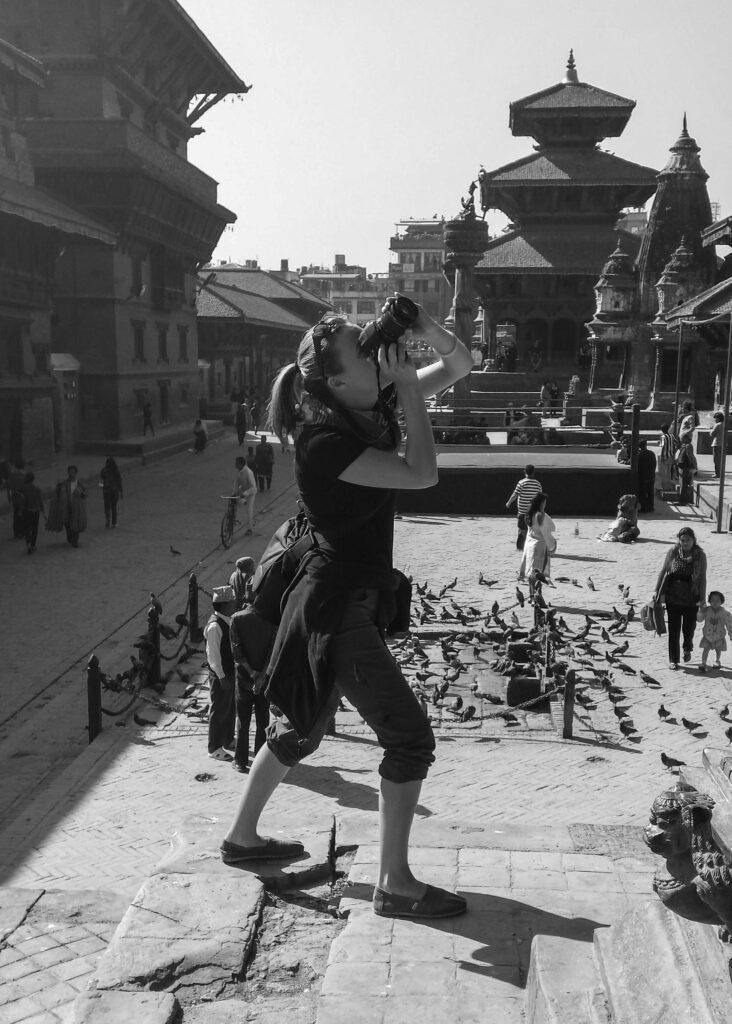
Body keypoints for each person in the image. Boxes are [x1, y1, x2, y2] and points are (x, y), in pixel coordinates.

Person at [221, 298, 472, 920]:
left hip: (337, 598)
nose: (378, 356)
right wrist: (408, 382)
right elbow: (421, 473)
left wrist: (421, 333)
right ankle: (395, 881)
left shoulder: (363, 412)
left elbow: (461, 362)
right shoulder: (323, 441)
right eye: (366, 352)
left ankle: (242, 838)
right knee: (410, 738)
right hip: (334, 608)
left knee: (299, 729)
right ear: (335, 382)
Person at [653, 527, 707, 670]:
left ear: (693, 540)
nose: (685, 543)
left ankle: (687, 648)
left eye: (688, 540)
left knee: (689, 629)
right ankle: (673, 660)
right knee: (674, 629)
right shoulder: (673, 552)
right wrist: (656, 590)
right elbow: (664, 571)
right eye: (682, 540)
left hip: (691, 597)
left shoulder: (700, 555)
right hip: (673, 597)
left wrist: (703, 600)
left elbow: (702, 579)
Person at [229, 605, 274, 773]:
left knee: (242, 719)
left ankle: (240, 760)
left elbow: (237, 653)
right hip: (264, 681)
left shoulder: (237, 619)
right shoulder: (271, 619)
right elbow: (272, 652)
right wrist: (261, 676)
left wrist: (252, 673)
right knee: (263, 719)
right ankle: (260, 760)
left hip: (243, 679)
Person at [204, 585, 238, 761]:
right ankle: (214, 747)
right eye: (232, 601)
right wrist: (221, 676)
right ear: (224, 605)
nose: (235, 603)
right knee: (219, 709)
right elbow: (213, 656)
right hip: (221, 675)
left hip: (230, 673)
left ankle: (228, 739)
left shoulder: (228, 620)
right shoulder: (215, 627)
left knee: (230, 707)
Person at [518, 492, 556, 599]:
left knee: (531, 573)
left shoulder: (529, 514)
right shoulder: (540, 515)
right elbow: (552, 527)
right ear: (541, 503)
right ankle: (537, 596)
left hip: (529, 546)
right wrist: (552, 544)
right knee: (539, 574)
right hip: (539, 546)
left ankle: (531, 596)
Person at [505, 464, 542, 550]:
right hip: (533, 513)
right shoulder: (538, 484)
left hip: (522, 512)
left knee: (522, 529)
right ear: (533, 473)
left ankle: (520, 547)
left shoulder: (521, 483)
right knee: (532, 530)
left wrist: (509, 502)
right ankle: (531, 546)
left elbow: (515, 494)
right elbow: (540, 498)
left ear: (525, 472)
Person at [697, 591, 732, 673]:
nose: (715, 602)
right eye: (712, 600)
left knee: (718, 649)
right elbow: (699, 619)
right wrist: (700, 611)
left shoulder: (725, 613)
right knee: (706, 649)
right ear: (709, 601)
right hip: (707, 635)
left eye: (717, 601)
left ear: (721, 601)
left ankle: (717, 660)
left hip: (719, 635)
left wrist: (731, 634)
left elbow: (729, 624)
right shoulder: (706, 610)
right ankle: (703, 663)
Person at [57, 466, 87, 548]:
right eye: (70, 472)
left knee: (76, 523)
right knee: (68, 523)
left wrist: (82, 494)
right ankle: (70, 537)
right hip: (67, 507)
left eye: (73, 472)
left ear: (76, 473)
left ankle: (75, 541)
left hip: (77, 507)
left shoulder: (79, 483)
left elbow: (85, 494)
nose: (72, 474)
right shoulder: (65, 483)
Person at [20, 471, 44, 554]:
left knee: (27, 528)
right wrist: (43, 511)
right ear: (33, 479)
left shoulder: (23, 488)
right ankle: (33, 545)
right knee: (34, 529)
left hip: (26, 511)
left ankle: (28, 543)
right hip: (35, 511)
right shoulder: (37, 489)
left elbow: (20, 499)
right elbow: (40, 501)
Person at [234, 455, 257, 535]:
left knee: (249, 510)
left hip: (251, 493)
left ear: (241, 464)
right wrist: (235, 493)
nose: (235, 464)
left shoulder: (248, 472)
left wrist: (245, 494)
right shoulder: (239, 472)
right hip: (244, 491)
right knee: (235, 502)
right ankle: (233, 520)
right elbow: (237, 483)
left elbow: (253, 487)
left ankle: (250, 528)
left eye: (236, 463)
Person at [100, 457, 123, 528]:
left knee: (107, 507)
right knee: (114, 507)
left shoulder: (103, 471)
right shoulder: (116, 471)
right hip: (114, 491)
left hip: (106, 491)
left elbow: (101, 481)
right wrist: (121, 491)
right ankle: (114, 522)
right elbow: (119, 481)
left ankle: (108, 520)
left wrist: (101, 487)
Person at [675, 433, 697, 504]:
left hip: (685, 466)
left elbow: (690, 456)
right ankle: (682, 500)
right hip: (682, 466)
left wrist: (693, 465)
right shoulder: (684, 445)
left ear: (687, 438)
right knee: (682, 483)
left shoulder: (688, 446)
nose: (681, 439)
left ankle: (682, 501)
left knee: (683, 484)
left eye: (683, 438)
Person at [637, 439, 657, 513]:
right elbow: (655, 464)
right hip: (651, 476)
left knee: (643, 493)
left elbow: (638, 466)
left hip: (643, 477)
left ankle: (644, 508)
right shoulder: (651, 453)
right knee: (650, 492)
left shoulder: (639, 455)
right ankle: (651, 507)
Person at [8, 460, 27, 540]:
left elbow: (9, 486)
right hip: (22, 498)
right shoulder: (24, 474)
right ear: (23, 466)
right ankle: (22, 532)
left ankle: (17, 532)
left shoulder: (12, 475)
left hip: (15, 497)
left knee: (16, 515)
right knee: (23, 514)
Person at [657, 423, 675, 495]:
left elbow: (662, 446)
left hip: (665, 456)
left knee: (664, 472)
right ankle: (669, 486)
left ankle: (665, 487)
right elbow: (676, 443)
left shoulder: (663, 437)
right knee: (669, 472)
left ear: (662, 430)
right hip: (670, 456)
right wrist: (673, 452)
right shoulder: (672, 436)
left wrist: (662, 457)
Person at [710, 412, 725, 478]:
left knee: (716, 460)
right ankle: (721, 473)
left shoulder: (717, 425)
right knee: (721, 460)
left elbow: (712, 434)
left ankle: (717, 474)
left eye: (715, 418)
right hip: (723, 444)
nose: (715, 420)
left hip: (717, 444)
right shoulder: (725, 424)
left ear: (718, 418)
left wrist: (711, 429)